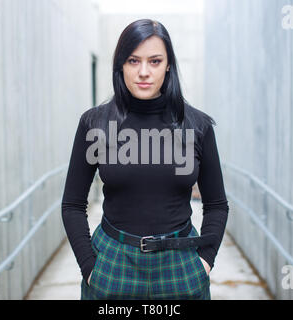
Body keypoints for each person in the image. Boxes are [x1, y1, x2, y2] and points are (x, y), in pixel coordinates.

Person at [61, 19, 229, 300]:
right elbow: (72, 205)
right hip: (111, 264)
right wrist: (90, 268)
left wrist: (204, 262)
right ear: (121, 66)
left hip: (181, 265)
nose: (143, 72)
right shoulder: (95, 124)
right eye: (132, 60)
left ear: (168, 66)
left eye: (154, 61)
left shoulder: (197, 126)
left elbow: (217, 205)